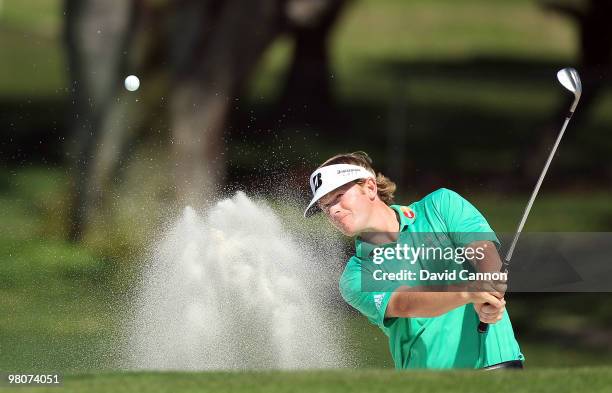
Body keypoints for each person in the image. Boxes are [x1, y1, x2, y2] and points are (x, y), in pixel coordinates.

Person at [304, 151, 524, 369]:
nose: (333, 210)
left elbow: (484, 252)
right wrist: (468, 292)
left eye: (339, 196)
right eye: (325, 206)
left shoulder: (441, 205)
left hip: (498, 366)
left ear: (370, 187)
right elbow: (405, 303)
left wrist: (489, 289)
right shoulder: (355, 276)